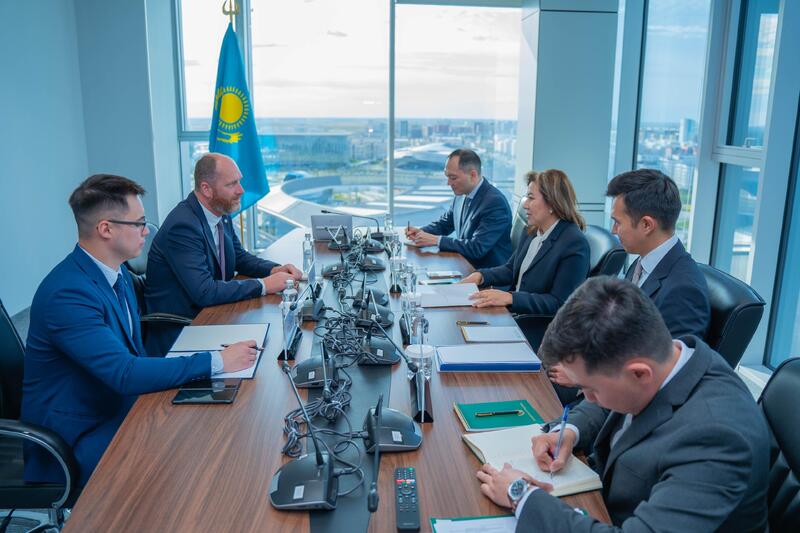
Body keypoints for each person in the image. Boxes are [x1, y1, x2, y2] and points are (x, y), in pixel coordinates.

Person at [475, 277, 769, 532]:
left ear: (639, 373)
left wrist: (521, 496)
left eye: (589, 389)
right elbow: (611, 400)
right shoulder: (667, 357)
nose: (587, 397)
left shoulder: (716, 438)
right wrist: (571, 431)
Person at [21, 174, 258, 486]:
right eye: (138, 223)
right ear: (106, 229)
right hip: (78, 437)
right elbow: (124, 373)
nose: (146, 231)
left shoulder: (116, 273)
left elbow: (134, 355)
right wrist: (218, 361)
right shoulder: (68, 294)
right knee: (194, 466)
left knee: (212, 429)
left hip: (118, 404)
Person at [547, 168, 710, 391]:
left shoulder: (683, 290)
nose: (614, 230)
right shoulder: (643, 262)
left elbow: (662, 376)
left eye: (617, 222)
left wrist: (584, 375)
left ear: (646, 225)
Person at [145, 153, 302, 354]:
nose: (241, 190)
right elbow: (204, 292)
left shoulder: (218, 212)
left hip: (215, 314)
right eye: (231, 184)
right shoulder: (183, 226)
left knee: (270, 341)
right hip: (187, 328)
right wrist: (264, 285)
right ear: (206, 189)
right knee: (268, 351)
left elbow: (239, 257)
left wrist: (274, 270)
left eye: (239, 181)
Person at [461, 169, 590, 315]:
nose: (525, 205)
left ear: (552, 204)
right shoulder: (532, 230)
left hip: (534, 323)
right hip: (515, 313)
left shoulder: (574, 243)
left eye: (531, 198)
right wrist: (481, 276)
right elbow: (511, 269)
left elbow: (559, 303)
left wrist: (510, 298)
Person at [405, 149, 512, 269]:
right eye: (447, 177)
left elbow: (477, 248)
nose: (448, 183)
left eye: (453, 178)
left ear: (473, 175)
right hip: (464, 264)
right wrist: (420, 232)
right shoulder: (462, 194)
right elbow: (445, 224)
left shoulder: (495, 203)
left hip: (485, 274)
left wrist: (436, 240)